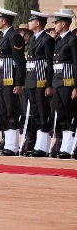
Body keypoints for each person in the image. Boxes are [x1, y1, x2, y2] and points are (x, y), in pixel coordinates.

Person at [0, 8, 26, 156]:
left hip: (9, 78)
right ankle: (8, 143)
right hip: (0, 78)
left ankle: (13, 146)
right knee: (3, 110)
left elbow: (19, 61)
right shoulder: (2, 37)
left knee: (11, 109)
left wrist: (19, 83)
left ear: (4, 20)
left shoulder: (14, 36)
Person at [25, 11, 55, 157]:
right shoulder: (32, 40)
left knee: (43, 113)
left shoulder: (47, 40)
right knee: (35, 113)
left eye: (31, 21)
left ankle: (44, 146)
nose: (29, 23)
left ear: (37, 23)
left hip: (41, 81)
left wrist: (49, 84)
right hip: (31, 81)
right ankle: (38, 144)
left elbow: (50, 64)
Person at [50, 9, 77, 159]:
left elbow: (75, 64)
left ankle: (68, 147)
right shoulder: (58, 40)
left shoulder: (72, 40)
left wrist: (75, 86)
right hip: (57, 83)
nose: (54, 25)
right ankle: (65, 146)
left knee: (68, 114)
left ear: (64, 24)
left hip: (67, 83)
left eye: (56, 22)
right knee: (60, 114)